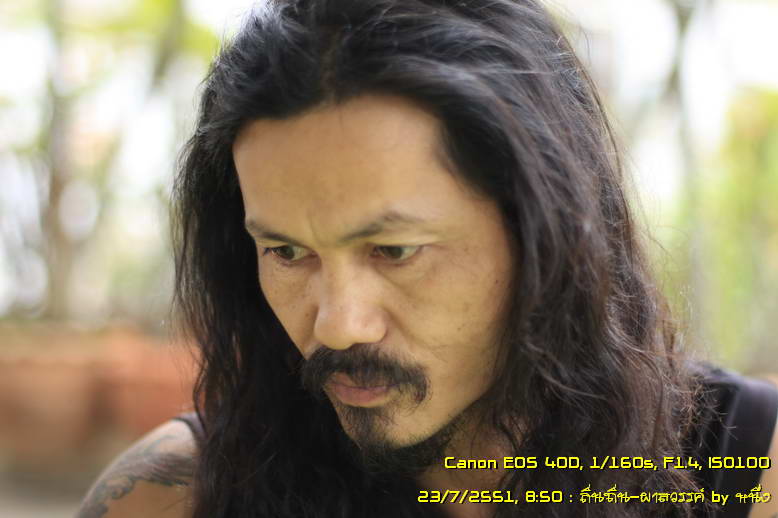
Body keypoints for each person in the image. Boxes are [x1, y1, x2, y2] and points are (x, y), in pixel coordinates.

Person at [75, 1, 778, 517]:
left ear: (547, 238)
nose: (338, 325)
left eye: (395, 251)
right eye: (286, 252)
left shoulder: (750, 472)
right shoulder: (173, 496)